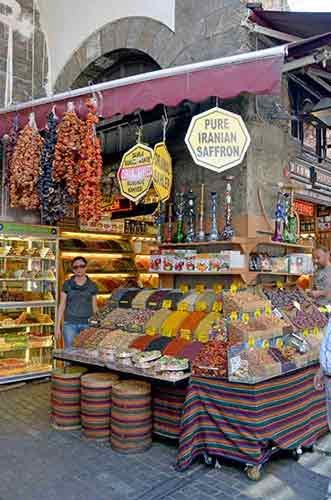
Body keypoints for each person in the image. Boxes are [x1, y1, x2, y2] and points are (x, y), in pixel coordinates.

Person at [55, 256, 98, 348]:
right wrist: (57, 326)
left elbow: (95, 307)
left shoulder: (92, 285)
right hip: (69, 324)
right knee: (69, 353)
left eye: (81, 266)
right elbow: (61, 305)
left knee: (85, 354)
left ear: (86, 267)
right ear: (73, 269)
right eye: (76, 267)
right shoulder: (67, 284)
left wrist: (97, 325)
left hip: (87, 324)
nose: (79, 269)